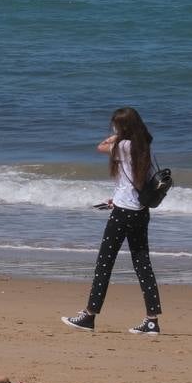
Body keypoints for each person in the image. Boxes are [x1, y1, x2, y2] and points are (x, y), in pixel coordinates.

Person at [61, 106, 164, 335]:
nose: (114, 129)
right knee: (142, 264)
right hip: (140, 211)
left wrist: (119, 135)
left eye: (117, 125)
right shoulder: (144, 145)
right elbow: (134, 181)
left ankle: (89, 316)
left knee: (104, 264)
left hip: (122, 213)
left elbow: (100, 146)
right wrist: (115, 199)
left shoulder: (124, 146)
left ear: (123, 127)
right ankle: (151, 321)